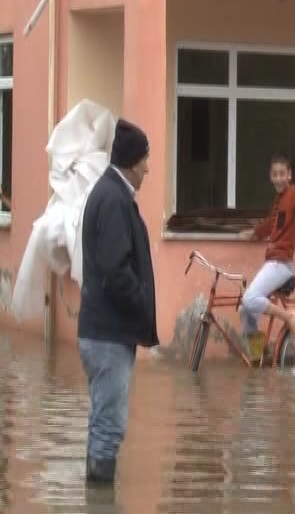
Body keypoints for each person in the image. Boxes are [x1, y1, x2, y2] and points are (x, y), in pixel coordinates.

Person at [78, 118, 158, 485]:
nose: (148, 167)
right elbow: (115, 269)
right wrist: (141, 304)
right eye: (145, 158)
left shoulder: (111, 193)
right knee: (109, 430)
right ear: (131, 160)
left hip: (103, 332)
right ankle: (100, 502)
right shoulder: (113, 198)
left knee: (102, 426)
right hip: (108, 336)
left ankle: (95, 502)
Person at [239, 154, 295, 355]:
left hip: (282, 264)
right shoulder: (279, 200)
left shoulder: (293, 194)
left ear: (289, 175)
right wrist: (254, 233)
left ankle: (288, 317)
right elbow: (271, 224)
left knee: (249, 299)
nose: (278, 178)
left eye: (282, 174)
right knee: (245, 310)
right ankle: (257, 356)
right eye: (274, 174)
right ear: (270, 177)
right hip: (273, 262)